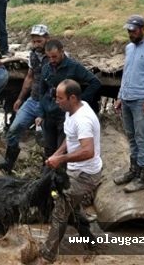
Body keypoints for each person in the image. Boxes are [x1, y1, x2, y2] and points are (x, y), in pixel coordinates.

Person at [38, 79, 102, 264]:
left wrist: (62, 159)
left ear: (72, 98)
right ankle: (91, 243)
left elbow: (88, 151)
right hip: (75, 170)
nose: (56, 101)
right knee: (72, 208)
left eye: (60, 98)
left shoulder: (83, 119)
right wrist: (57, 154)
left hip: (85, 174)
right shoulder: (72, 111)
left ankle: (46, 257)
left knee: (59, 211)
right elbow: (70, 137)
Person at [114, 15, 144, 193]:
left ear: (143, 29)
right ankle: (133, 170)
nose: (130, 34)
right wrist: (120, 96)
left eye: (133, 31)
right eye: (128, 31)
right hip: (127, 99)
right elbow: (126, 74)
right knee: (131, 137)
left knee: (142, 138)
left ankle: (142, 178)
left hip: (142, 101)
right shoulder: (129, 48)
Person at [0, 24, 50, 173]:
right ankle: (8, 164)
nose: (37, 44)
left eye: (39, 41)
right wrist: (20, 98)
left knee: (47, 137)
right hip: (33, 99)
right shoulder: (32, 55)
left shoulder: (55, 54)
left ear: (47, 38)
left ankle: (47, 169)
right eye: (34, 41)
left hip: (49, 102)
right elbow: (30, 77)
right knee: (13, 129)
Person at [37, 40, 101, 159]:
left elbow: (95, 82)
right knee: (48, 149)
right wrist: (40, 113)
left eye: (55, 57)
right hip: (48, 114)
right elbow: (41, 91)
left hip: (64, 115)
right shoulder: (46, 68)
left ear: (62, 52)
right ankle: (48, 175)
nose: (52, 60)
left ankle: (62, 175)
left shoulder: (74, 67)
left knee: (64, 149)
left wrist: (80, 101)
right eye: (49, 57)